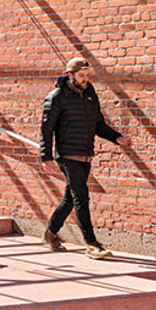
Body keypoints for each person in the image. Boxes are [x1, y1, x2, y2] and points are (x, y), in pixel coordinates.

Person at [40, 57, 133, 260]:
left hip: (85, 154)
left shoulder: (90, 94)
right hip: (67, 155)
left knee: (70, 199)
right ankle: (91, 244)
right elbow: (46, 129)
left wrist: (117, 138)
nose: (85, 79)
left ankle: (50, 233)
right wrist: (46, 157)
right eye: (81, 76)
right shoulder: (56, 97)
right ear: (69, 75)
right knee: (81, 197)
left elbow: (98, 124)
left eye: (87, 76)